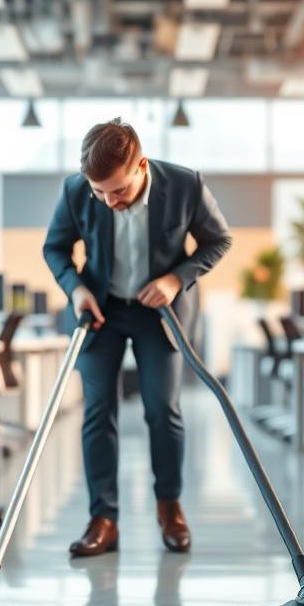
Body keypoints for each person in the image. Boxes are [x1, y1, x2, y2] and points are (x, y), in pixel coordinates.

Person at [43, 118, 232, 557]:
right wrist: (77, 289)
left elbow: (217, 241)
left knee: (162, 410)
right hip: (102, 312)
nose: (109, 202)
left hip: (158, 312)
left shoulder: (185, 186)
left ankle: (170, 509)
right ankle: (103, 519)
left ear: (141, 166)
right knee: (98, 412)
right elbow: (55, 248)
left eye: (120, 191)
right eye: (100, 192)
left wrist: (176, 278)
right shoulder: (76, 190)